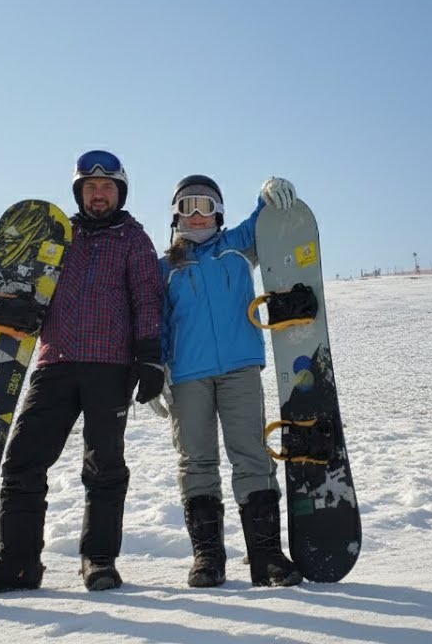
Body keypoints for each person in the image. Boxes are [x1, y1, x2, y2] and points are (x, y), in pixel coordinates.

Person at [0, 149, 165, 594]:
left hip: (110, 367)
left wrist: (150, 354)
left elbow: (147, 296)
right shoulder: (57, 237)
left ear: (120, 193)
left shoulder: (134, 239)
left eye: (107, 187)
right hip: (54, 363)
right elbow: (25, 290)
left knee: (104, 467)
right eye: (91, 187)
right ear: (79, 192)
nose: (99, 195)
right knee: (23, 461)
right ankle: (18, 562)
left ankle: (99, 560)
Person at [157, 173, 303, 588]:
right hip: (187, 375)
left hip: (239, 367)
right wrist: (157, 366)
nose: (196, 215)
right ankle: (208, 558)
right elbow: (156, 320)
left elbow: (264, 219)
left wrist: (268, 188)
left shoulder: (237, 246)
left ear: (218, 212)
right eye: (187, 206)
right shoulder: (165, 267)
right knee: (196, 461)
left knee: (251, 455)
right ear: (175, 215)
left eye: (205, 205)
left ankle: (266, 556)